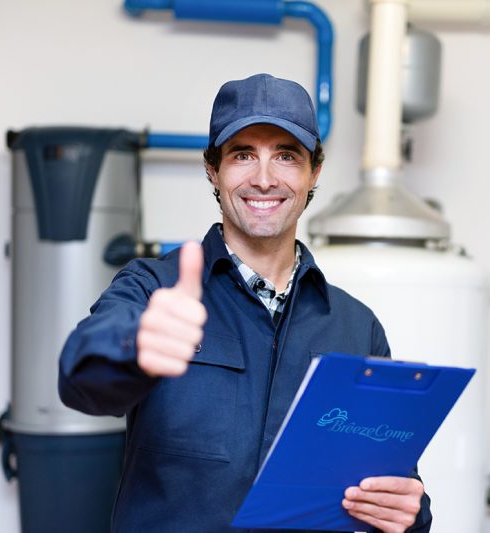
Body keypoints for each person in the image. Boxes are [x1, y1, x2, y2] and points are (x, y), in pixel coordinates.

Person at [58, 73, 432, 533]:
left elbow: (388, 476)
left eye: (286, 156)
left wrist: (410, 512)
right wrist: (133, 345)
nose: (263, 179)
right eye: (242, 155)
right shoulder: (154, 289)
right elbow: (81, 380)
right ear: (213, 169)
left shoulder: (356, 326)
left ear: (314, 171)